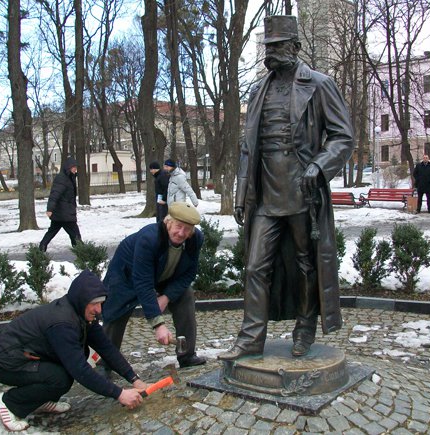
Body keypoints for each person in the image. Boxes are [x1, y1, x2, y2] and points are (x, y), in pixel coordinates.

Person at [218, 15, 354, 361]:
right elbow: (248, 147)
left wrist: (318, 166)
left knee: (305, 264)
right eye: (269, 46)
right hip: (264, 194)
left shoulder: (320, 84)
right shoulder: (258, 89)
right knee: (254, 266)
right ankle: (251, 337)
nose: (272, 52)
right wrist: (241, 195)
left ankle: (305, 327)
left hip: (302, 192)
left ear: (295, 47)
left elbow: (343, 137)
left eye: (279, 46)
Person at [0, 270, 148, 432]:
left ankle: (39, 400)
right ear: (81, 299)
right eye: (94, 303)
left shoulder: (82, 313)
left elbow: (106, 348)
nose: (99, 309)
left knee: (66, 371)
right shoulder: (63, 323)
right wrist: (120, 394)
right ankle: (8, 403)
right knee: (59, 379)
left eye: (101, 303)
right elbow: (80, 370)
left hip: (30, 355)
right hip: (6, 362)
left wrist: (134, 378)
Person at [101, 202, 206, 370]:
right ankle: (106, 362)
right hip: (126, 275)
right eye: (178, 226)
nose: (181, 233)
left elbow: (188, 274)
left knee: (185, 295)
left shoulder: (195, 239)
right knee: (116, 312)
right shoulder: (149, 238)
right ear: (168, 222)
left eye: (187, 229)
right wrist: (158, 324)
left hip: (164, 276)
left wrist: (166, 297)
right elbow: (143, 282)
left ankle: (187, 355)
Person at [39, 157, 82, 252]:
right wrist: (50, 209)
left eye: (76, 167)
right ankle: (82, 254)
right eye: (74, 167)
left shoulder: (69, 177)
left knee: (52, 232)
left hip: (61, 213)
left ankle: (41, 248)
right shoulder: (62, 178)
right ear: (68, 167)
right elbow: (55, 194)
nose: (75, 169)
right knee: (75, 235)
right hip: (64, 213)